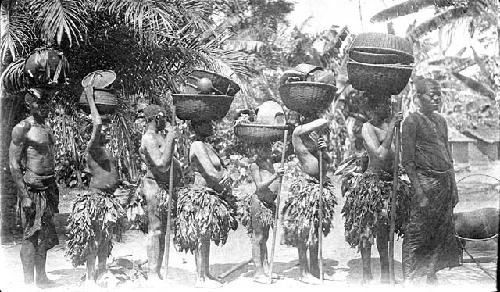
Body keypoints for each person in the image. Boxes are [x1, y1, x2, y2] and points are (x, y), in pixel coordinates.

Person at [340, 93, 411, 284]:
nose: (387, 108)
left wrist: (396, 130)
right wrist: (392, 130)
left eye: (388, 104)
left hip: (389, 184)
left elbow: (398, 155)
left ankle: (386, 273)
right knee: (367, 231)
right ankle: (366, 273)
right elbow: (379, 154)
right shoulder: (367, 128)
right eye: (382, 105)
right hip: (371, 184)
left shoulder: (390, 127)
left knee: (384, 232)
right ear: (371, 109)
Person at [401, 77, 461, 284]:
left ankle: (430, 273)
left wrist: (453, 187)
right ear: (418, 98)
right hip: (425, 183)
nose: (436, 98)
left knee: (440, 231)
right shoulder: (411, 122)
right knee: (417, 231)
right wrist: (419, 192)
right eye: (431, 94)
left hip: (444, 184)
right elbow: (407, 162)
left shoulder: (441, 121)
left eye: (438, 94)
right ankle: (409, 276)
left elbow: (448, 155)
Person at [66, 86, 124, 284]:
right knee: (94, 239)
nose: (106, 128)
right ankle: (90, 278)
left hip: (108, 199)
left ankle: (102, 272)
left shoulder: (106, 150)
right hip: (96, 199)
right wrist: (90, 97)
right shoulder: (93, 148)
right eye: (104, 126)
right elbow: (97, 123)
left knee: (105, 240)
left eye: (109, 125)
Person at [174, 120, 238, 288]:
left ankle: (206, 273)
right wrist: (224, 179)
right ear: (197, 126)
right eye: (206, 123)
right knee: (201, 236)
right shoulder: (196, 145)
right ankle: (200, 278)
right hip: (199, 195)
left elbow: (219, 168)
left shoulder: (206, 145)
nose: (211, 125)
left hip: (210, 194)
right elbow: (210, 172)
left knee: (206, 236)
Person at [9, 90, 59, 287]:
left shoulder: (45, 127)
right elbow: (13, 164)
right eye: (39, 102)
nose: (43, 105)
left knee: (44, 234)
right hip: (32, 188)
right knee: (30, 235)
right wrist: (24, 195)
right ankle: (29, 283)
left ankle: (41, 277)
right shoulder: (23, 127)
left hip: (48, 187)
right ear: (29, 104)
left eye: (45, 101)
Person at [281, 113, 337, 284]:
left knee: (316, 230)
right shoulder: (297, 134)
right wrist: (322, 122)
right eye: (309, 117)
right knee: (304, 231)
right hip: (306, 188)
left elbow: (328, 161)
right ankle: (304, 272)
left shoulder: (312, 140)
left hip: (319, 187)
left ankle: (315, 268)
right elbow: (323, 121)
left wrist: (324, 150)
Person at [138, 104, 181, 282]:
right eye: (163, 118)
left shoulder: (158, 136)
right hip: (154, 187)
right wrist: (171, 137)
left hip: (163, 188)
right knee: (155, 230)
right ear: (157, 117)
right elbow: (161, 164)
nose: (165, 122)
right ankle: (152, 272)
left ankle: (157, 270)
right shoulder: (148, 138)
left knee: (162, 232)